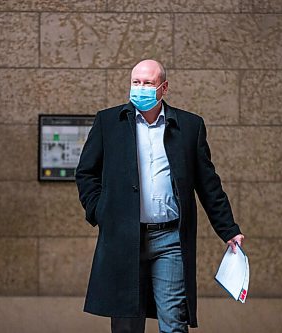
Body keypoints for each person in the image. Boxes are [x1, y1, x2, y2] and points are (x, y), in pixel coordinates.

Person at [75, 59, 244, 333]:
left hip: (170, 239)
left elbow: (208, 183)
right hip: (123, 238)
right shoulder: (109, 122)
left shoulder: (189, 126)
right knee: (126, 325)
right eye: (136, 82)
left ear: (163, 88)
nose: (140, 88)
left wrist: (228, 229)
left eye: (148, 83)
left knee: (174, 323)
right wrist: (100, 211)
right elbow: (86, 172)